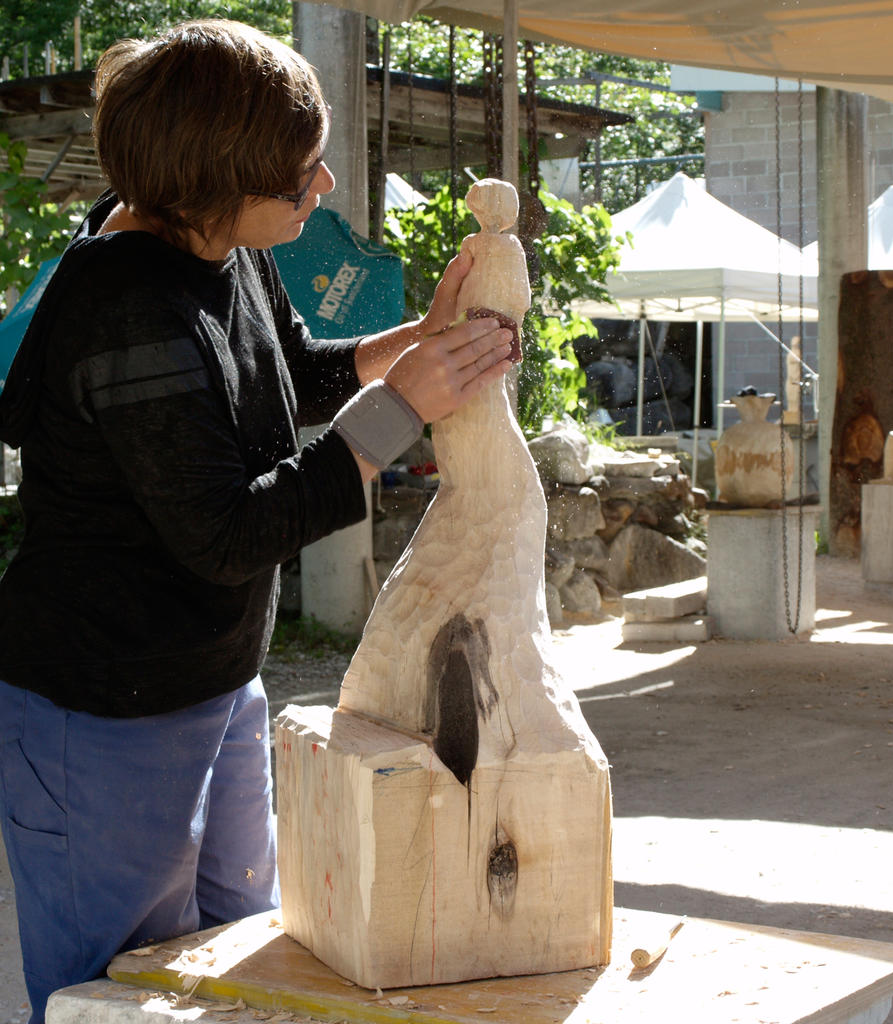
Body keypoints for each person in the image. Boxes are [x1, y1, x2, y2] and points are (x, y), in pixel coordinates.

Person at [0, 20, 513, 1023]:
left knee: (239, 951)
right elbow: (228, 532)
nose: (319, 190)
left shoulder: (217, 242)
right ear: (213, 178)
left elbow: (296, 373)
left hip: (213, 681)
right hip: (102, 711)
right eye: (300, 178)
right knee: (116, 985)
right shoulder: (128, 311)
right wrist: (399, 409)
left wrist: (424, 342)